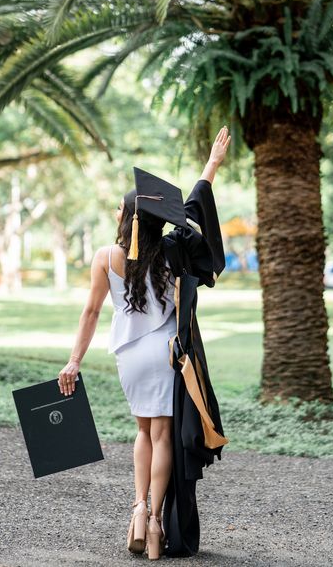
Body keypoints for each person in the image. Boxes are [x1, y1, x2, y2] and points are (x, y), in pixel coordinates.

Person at [58, 126, 231, 560]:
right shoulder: (173, 252)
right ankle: (156, 521)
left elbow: (91, 313)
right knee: (163, 434)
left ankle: (137, 510)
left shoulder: (106, 257)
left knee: (142, 433)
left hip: (129, 357)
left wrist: (73, 362)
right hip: (166, 355)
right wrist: (211, 166)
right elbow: (192, 212)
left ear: (129, 220)